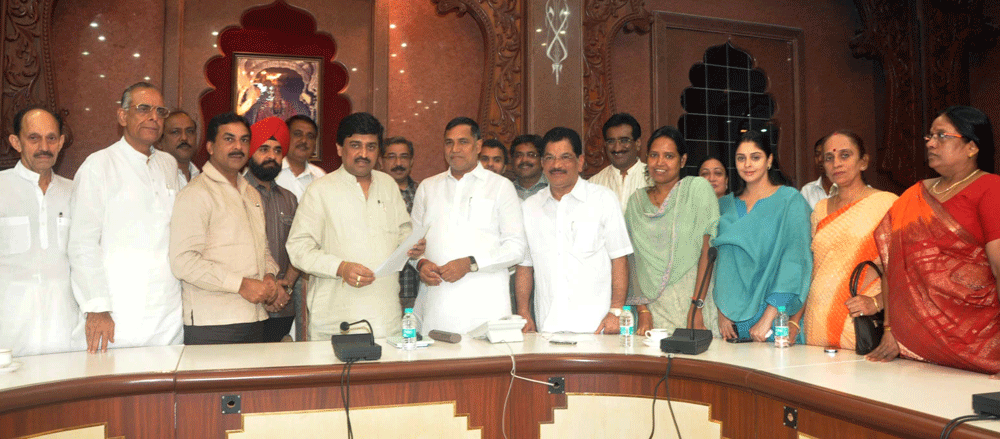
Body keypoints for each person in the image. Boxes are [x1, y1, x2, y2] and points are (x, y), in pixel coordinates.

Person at [868, 106, 1000, 376]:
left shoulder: (991, 189)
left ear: (972, 147)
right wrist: (891, 330)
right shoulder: (913, 196)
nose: (931, 142)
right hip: (914, 350)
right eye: (929, 136)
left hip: (980, 347)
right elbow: (893, 269)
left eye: (942, 136)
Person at [69, 82, 183, 353]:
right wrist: (97, 308)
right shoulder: (98, 166)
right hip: (117, 313)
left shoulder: (168, 164)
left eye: (160, 111)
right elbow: (82, 244)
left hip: (168, 312)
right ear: (122, 116)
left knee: (166, 390)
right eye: (143, 109)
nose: (153, 117)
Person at [287, 112, 422, 339]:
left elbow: (403, 231)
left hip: (386, 318)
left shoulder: (388, 185)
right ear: (340, 148)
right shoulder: (320, 190)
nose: (363, 154)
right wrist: (341, 268)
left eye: (371, 147)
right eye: (355, 145)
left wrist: (413, 245)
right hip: (336, 321)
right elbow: (298, 249)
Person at [169, 112, 281, 344]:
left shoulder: (251, 192)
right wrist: (240, 284)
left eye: (244, 140)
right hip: (213, 323)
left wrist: (269, 274)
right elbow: (183, 262)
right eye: (229, 139)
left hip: (256, 316)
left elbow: (263, 248)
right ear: (210, 146)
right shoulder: (195, 194)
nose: (238, 147)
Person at [412, 117, 526, 335]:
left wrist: (470, 264)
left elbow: (515, 249)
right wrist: (421, 264)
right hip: (437, 308)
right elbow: (412, 246)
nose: (455, 149)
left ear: (478, 145)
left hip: (486, 310)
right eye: (448, 142)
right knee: (437, 366)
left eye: (463, 142)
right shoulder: (428, 188)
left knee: (487, 367)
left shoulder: (501, 187)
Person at [515, 127, 632, 333]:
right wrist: (523, 312)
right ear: (542, 164)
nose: (556, 165)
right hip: (548, 328)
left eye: (565, 157)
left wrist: (615, 310)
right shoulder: (529, 207)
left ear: (580, 162)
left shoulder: (603, 199)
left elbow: (619, 259)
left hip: (597, 328)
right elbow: (525, 267)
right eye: (549, 158)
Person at [713, 131, 811, 343]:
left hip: (775, 321)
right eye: (741, 158)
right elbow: (721, 263)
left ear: (769, 160)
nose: (747, 164)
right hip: (731, 322)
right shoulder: (725, 206)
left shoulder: (789, 201)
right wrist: (722, 310)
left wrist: (769, 317)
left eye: (755, 157)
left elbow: (793, 262)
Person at [804, 131, 896, 349]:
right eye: (829, 158)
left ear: (863, 162)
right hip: (815, 323)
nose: (836, 163)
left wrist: (877, 302)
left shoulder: (886, 204)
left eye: (845, 155)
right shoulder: (820, 209)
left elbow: (903, 268)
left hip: (857, 325)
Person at [0, 107, 80, 356]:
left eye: (51, 138)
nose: (44, 146)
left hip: (65, 330)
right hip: (10, 331)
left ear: (61, 142)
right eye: (33, 138)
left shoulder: (76, 192)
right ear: (16, 142)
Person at [626, 127, 720, 336]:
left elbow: (708, 251)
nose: (660, 163)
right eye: (654, 155)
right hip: (652, 310)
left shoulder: (697, 190)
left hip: (693, 302)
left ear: (683, 160)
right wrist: (642, 310)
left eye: (669, 156)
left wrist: (697, 307)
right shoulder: (636, 202)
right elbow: (631, 259)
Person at [244, 117, 301, 342]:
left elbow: (300, 246)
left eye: (278, 151)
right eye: (264, 149)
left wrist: (286, 284)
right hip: (247, 304)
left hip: (283, 305)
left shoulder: (289, 199)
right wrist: (268, 289)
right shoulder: (235, 193)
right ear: (250, 152)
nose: (272, 156)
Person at [380, 136, 420, 309]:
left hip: (418, 288)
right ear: (381, 162)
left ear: (411, 161)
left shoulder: (423, 193)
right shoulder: (374, 195)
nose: (398, 162)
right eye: (391, 157)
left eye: (404, 157)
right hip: (383, 287)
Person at [589, 113, 648, 211]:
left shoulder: (653, 179)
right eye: (611, 141)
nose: (617, 148)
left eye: (624, 140)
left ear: (638, 143)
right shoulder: (593, 184)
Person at [276, 115, 326, 200]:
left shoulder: (320, 176)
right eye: (298, 134)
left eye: (310, 136)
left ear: (315, 144)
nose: (304, 140)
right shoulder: (271, 172)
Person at [155, 110, 200, 186]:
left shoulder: (201, 178)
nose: (184, 138)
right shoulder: (155, 177)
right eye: (175, 132)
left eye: (189, 131)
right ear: (159, 142)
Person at [800, 137, 835, 208]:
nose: (820, 159)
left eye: (824, 154)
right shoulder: (807, 191)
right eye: (817, 154)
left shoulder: (846, 189)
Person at [511, 134, 548, 200]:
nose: (524, 160)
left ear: (541, 160)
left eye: (531, 155)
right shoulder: (506, 189)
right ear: (512, 160)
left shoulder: (553, 187)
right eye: (519, 155)